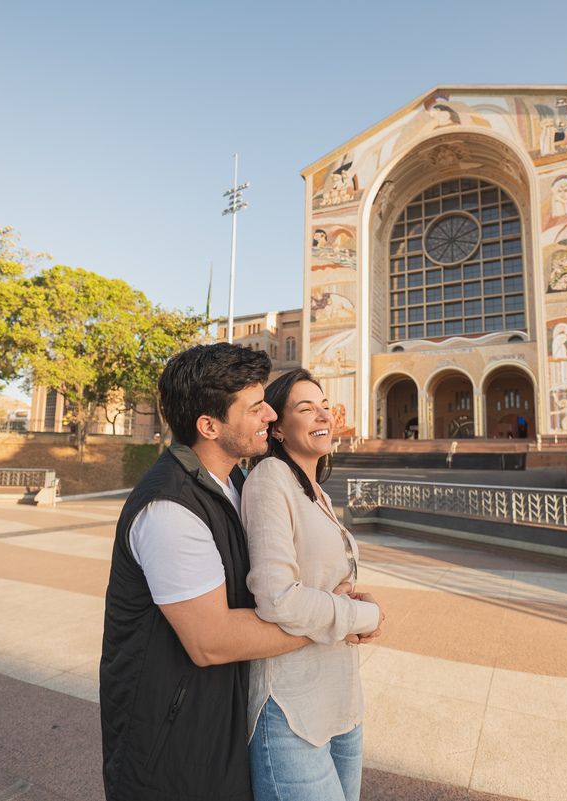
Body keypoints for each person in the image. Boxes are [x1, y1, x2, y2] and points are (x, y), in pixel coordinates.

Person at [100, 343, 313, 801]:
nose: (270, 417)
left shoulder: (236, 482)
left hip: (220, 728)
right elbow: (211, 640)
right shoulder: (169, 508)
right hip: (170, 752)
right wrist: (330, 624)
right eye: (256, 408)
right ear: (209, 426)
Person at [241, 368, 384, 801]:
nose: (322, 414)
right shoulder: (269, 479)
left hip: (340, 697)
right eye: (305, 408)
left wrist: (353, 597)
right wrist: (364, 614)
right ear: (278, 426)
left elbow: (322, 582)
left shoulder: (316, 491)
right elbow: (277, 598)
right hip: (290, 709)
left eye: (325, 405)